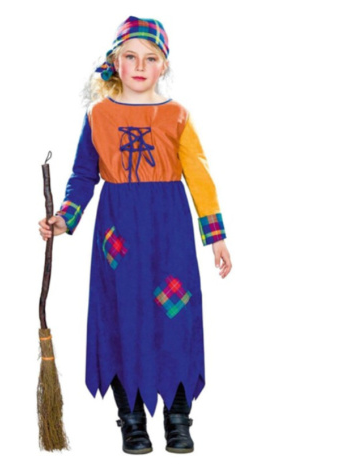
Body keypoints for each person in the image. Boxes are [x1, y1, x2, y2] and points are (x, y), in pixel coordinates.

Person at [38, 16, 232, 454]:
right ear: (116, 62)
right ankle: (131, 420)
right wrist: (65, 219)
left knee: (176, 318)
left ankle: (178, 417)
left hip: (169, 231)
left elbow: (199, 176)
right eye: (131, 56)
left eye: (151, 58)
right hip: (118, 239)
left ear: (164, 65)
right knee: (121, 317)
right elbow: (83, 176)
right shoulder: (99, 116)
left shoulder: (177, 115)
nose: (140, 66)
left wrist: (216, 235)